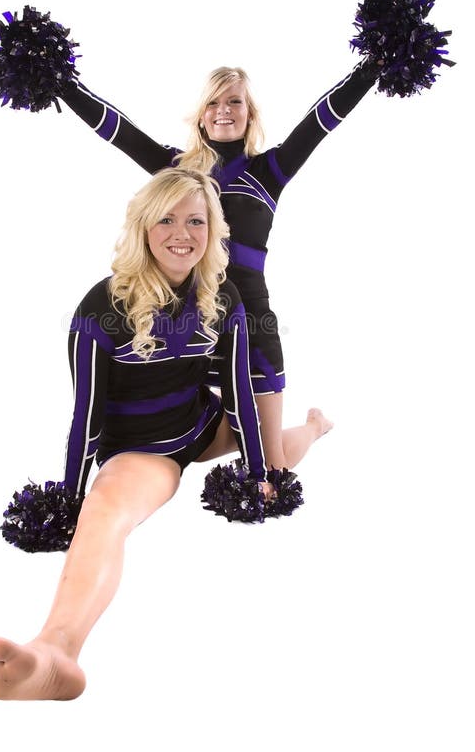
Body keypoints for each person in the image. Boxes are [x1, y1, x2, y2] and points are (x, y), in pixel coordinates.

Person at [0, 167, 304, 701]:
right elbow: (87, 416)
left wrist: (259, 474)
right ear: (143, 228)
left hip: (204, 423)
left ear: (213, 230)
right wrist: (71, 497)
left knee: (279, 453)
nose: (182, 232)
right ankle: (56, 651)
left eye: (196, 220)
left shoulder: (225, 299)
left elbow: (240, 392)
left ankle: (310, 428)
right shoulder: (102, 307)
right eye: (167, 219)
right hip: (146, 452)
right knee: (106, 512)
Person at [57, 62, 374, 466]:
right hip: (191, 322)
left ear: (250, 114)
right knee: (185, 431)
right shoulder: (178, 171)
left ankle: (313, 426)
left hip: (249, 322)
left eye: (234, 101)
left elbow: (320, 122)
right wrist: (63, 85)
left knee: (270, 468)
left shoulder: (269, 171)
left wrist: (371, 68)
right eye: (213, 102)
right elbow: (119, 131)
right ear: (202, 116)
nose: (224, 110)